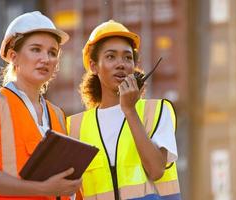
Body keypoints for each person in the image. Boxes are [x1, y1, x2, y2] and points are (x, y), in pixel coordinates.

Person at [0, 11, 83, 200]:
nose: (46, 59)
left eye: (52, 52)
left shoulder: (57, 114)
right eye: (36, 49)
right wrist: (44, 189)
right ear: (13, 56)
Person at [66, 20, 181, 200]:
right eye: (111, 56)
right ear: (94, 66)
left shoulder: (157, 111)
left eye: (128, 57)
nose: (121, 64)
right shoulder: (74, 126)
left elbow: (156, 170)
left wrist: (129, 110)